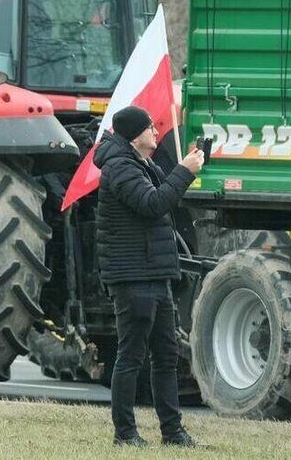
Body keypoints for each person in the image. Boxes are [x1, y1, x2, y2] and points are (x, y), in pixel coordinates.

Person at [93, 105, 205, 447]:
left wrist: (185, 165)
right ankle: (124, 434)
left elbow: (166, 194)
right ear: (134, 135)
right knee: (131, 356)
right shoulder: (119, 168)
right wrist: (185, 172)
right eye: (150, 128)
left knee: (166, 355)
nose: (156, 132)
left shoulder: (141, 163)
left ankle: (172, 432)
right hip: (132, 276)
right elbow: (153, 203)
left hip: (155, 273)